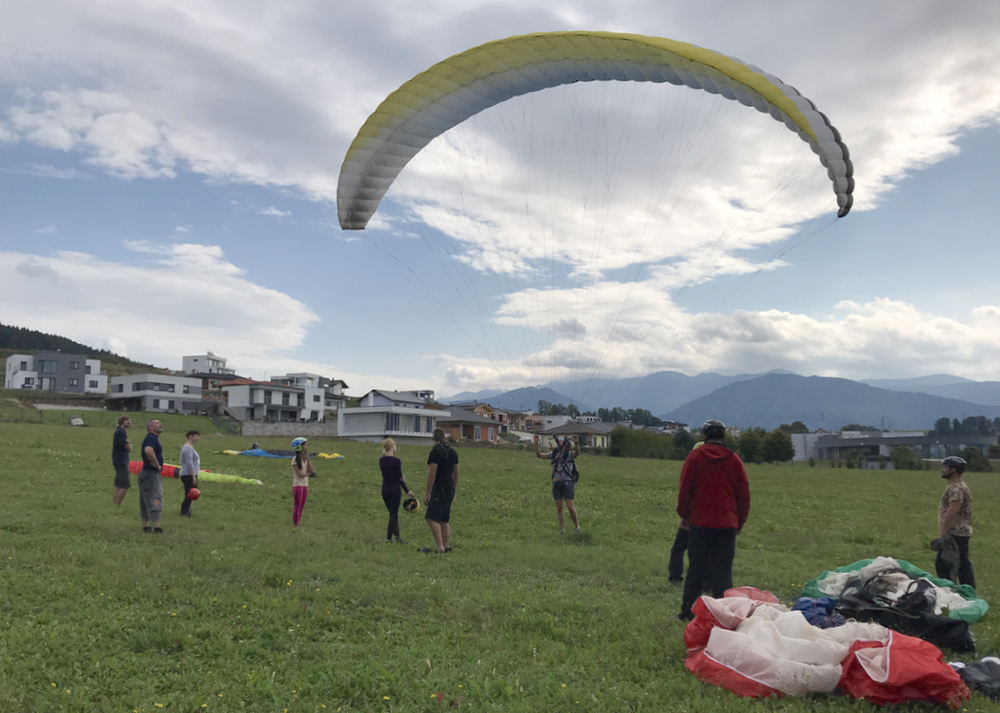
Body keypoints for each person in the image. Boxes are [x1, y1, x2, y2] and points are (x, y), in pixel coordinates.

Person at [677, 419, 750, 621]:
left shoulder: (695, 456)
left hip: (700, 522)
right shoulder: (735, 460)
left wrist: (684, 515)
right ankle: (723, 617)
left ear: (704, 436)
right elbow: (743, 495)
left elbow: (685, 488)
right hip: (727, 524)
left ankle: (687, 613)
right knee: (723, 573)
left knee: (695, 570)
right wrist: (740, 521)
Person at [933, 455, 975, 588]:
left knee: (945, 564)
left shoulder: (956, 488)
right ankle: (964, 590)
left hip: (955, 532)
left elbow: (953, 510)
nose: (942, 470)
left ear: (954, 470)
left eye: (945, 467)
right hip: (957, 532)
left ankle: (954, 590)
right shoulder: (957, 487)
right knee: (960, 563)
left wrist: (943, 532)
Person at [534, 433, 580, 534]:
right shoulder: (554, 454)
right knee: (559, 507)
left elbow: (577, 453)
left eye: (561, 439)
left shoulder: (569, 454)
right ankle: (562, 530)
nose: (560, 440)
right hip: (556, 483)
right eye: (558, 439)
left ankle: (577, 526)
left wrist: (576, 443)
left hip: (567, 482)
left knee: (570, 506)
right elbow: (539, 455)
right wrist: (536, 444)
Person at [423, 428, 459, 553]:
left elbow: (432, 473)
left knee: (431, 519)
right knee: (444, 519)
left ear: (433, 438)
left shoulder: (435, 452)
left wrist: (427, 493)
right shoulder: (453, 452)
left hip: (440, 488)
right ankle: (446, 545)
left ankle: (440, 547)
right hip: (449, 488)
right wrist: (453, 486)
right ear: (444, 437)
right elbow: (456, 472)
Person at [380, 438, 415, 544]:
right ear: (391, 447)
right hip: (395, 490)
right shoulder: (396, 461)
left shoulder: (381, 460)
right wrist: (407, 491)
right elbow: (399, 478)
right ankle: (389, 538)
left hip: (385, 490)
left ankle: (397, 537)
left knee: (393, 514)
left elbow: (391, 475)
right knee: (393, 514)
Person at [139, 419, 165, 533]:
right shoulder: (151, 438)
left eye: (160, 423)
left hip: (145, 473)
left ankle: (145, 526)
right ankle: (156, 526)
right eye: (157, 423)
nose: (160, 424)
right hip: (151, 473)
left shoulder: (151, 438)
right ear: (150, 428)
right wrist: (156, 464)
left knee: (145, 498)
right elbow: (148, 451)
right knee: (155, 497)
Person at [291, 437, 315, 527]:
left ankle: (298, 522)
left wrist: (308, 458)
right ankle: (295, 524)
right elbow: (300, 474)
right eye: (304, 445)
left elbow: (312, 470)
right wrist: (308, 474)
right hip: (298, 485)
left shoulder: (305, 458)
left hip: (305, 485)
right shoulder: (295, 460)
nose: (306, 447)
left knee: (302, 506)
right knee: (297, 505)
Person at [111, 415, 133, 506]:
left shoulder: (121, 432)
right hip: (121, 461)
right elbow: (129, 447)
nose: (129, 422)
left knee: (118, 485)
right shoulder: (120, 432)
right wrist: (129, 445)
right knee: (125, 485)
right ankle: (117, 504)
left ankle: (114, 504)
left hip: (118, 460)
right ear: (122, 422)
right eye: (127, 420)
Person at [179, 430, 200, 518]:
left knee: (190, 494)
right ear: (190, 436)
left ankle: (187, 512)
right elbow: (189, 462)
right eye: (196, 436)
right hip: (188, 474)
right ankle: (185, 512)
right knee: (190, 494)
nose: (198, 438)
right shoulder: (188, 448)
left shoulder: (190, 447)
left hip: (189, 474)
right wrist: (193, 476)